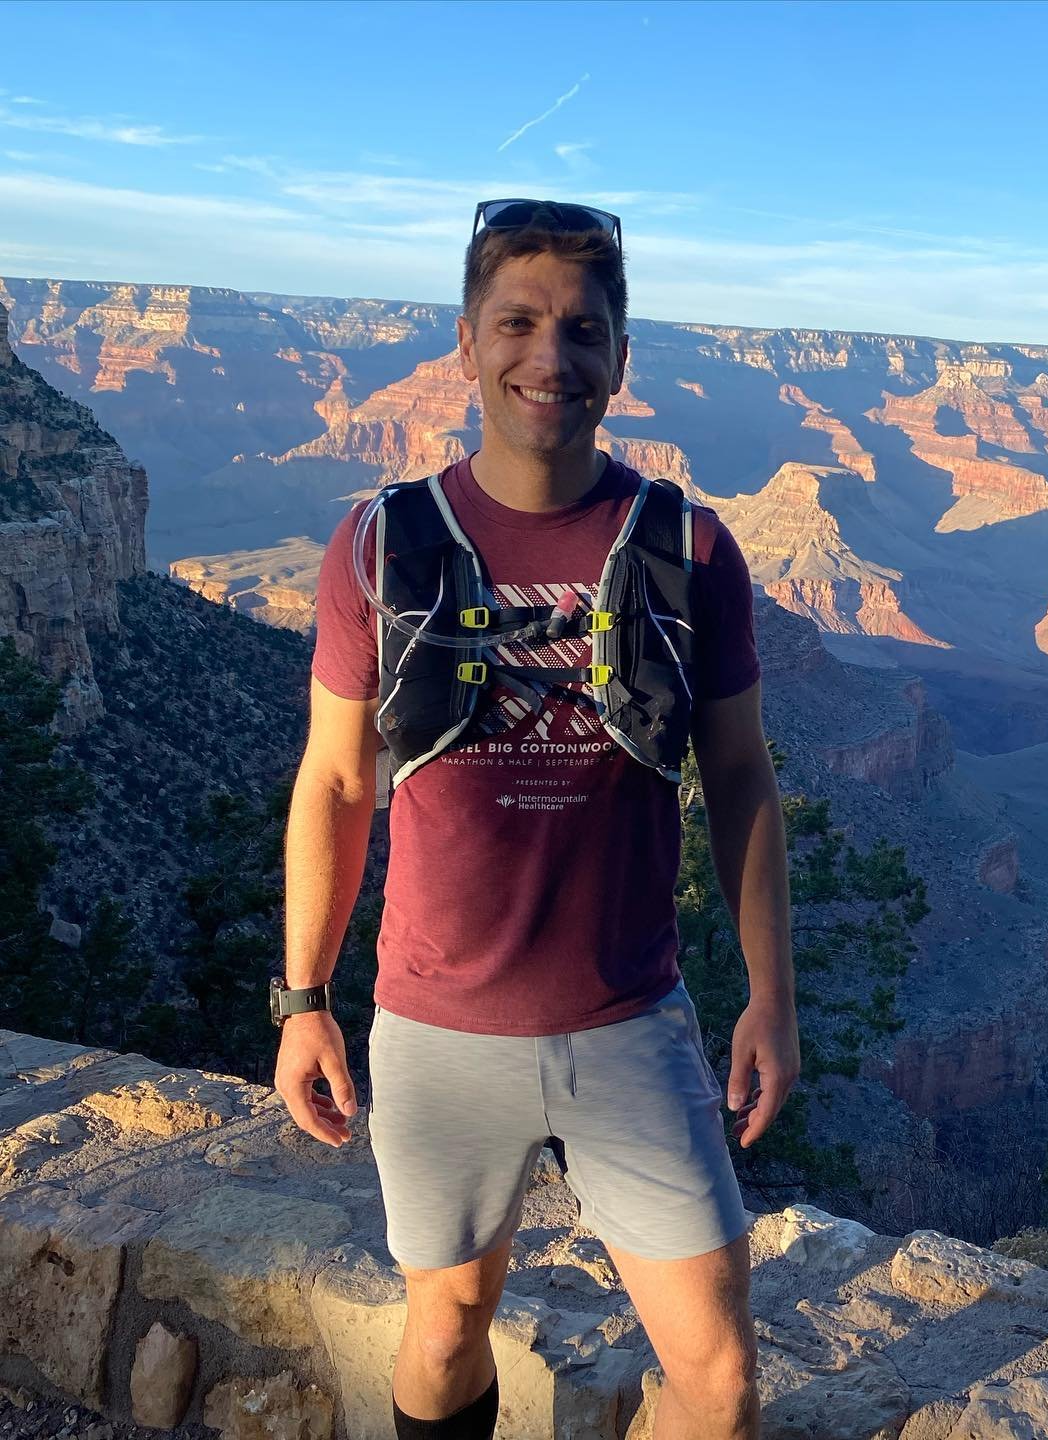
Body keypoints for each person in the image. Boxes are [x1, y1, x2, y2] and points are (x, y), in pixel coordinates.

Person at [273, 198, 799, 1440]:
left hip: (630, 1027)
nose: (547, 359)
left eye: (581, 329)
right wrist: (304, 999)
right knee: (448, 1324)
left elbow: (741, 779)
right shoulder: (380, 543)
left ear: (620, 359)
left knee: (718, 1381)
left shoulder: (691, 546)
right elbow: (337, 783)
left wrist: (769, 994)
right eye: (516, 322)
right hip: (435, 1029)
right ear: (465, 344)